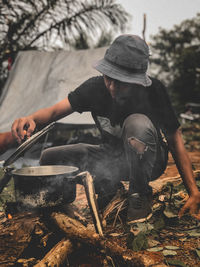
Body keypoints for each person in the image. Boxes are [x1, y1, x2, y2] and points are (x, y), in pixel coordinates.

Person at [11, 34, 200, 223]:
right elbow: (53, 112)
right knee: (50, 157)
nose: (112, 87)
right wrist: (32, 118)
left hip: (149, 162)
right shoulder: (93, 88)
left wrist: (193, 192)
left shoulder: (154, 92)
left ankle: (139, 197)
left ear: (137, 82)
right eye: (109, 78)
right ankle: (70, 206)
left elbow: (175, 142)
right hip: (110, 160)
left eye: (122, 83)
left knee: (137, 124)